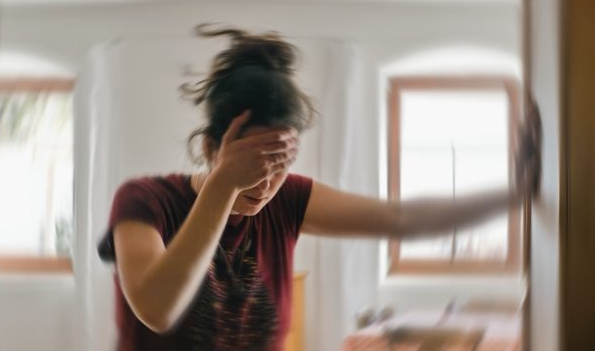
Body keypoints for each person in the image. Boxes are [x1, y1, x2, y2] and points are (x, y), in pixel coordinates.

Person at [97, 24, 540, 351]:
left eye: (280, 163)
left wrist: (514, 192)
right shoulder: (144, 201)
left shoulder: (289, 199)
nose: (265, 183)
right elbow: (158, 310)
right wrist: (224, 185)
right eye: (251, 162)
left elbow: (401, 218)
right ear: (212, 147)